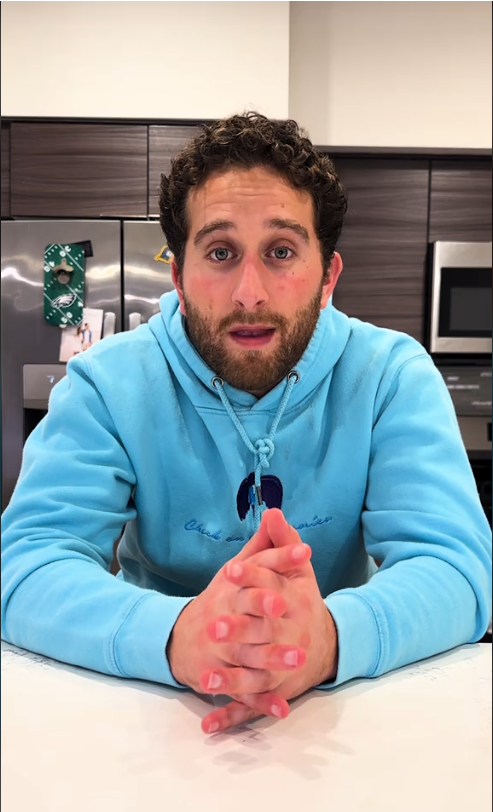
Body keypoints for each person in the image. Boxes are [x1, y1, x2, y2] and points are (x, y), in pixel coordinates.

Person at [1, 113, 491, 735]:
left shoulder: (391, 377)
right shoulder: (107, 384)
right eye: (221, 252)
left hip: (336, 715)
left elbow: (458, 570)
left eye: (281, 251)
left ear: (327, 278)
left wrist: (327, 640)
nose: (250, 293)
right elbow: (26, 566)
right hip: (152, 714)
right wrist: (178, 636)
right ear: (177, 273)